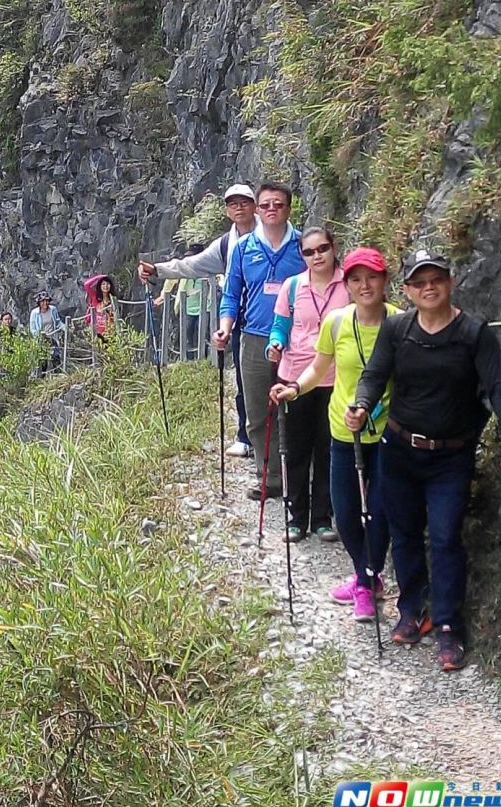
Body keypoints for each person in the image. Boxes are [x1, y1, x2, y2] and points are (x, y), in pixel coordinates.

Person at [348, 248, 501, 671]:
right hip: (399, 450)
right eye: (419, 282)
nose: (429, 287)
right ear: (408, 290)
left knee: (446, 537)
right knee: (405, 532)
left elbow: (499, 389)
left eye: (437, 279)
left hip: (451, 456)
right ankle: (412, 609)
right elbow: (376, 373)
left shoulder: (473, 332)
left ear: (450, 283)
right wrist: (360, 404)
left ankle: (449, 626)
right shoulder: (396, 329)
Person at [271, 247, 398, 624]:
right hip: (343, 431)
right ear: (347, 283)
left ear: (384, 281)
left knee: (379, 512)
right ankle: (367, 575)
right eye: (356, 279)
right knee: (345, 515)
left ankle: (364, 581)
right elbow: (318, 368)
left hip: (388, 432)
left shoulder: (401, 323)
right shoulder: (338, 323)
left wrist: (373, 410)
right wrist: (294, 388)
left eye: (372, 277)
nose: (364, 285)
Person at [138, 183, 258, 457]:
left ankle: (280, 444)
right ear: (227, 211)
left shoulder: (274, 235)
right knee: (244, 379)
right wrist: (157, 270)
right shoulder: (227, 244)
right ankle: (246, 437)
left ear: (254, 205)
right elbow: (191, 265)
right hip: (242, 319)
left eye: (244, 202)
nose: (239, 208)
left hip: (276, 317)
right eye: (233, 204)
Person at [214, 182, 305, 500]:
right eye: (265, 205)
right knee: (257, 412)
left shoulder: (303, 246)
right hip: (253, 337)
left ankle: (297, 477)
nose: (270, 210)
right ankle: (269, 477)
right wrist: (225, 328)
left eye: (277, 204)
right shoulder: (242, 248)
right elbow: (231, 295)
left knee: (296, 410)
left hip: (298, 340)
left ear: (288, 209)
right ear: (257, 208)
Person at [266, 227, 348, 542]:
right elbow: (280, 326)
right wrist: (273, 344)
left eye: (322, 249)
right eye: (309, 252)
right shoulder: (293, 286)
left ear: (333, 247)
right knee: (297, 450)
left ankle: (323, 518)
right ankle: (297, 518)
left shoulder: (349, 284)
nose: (317, 256)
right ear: (302, 255)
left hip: (336, 379)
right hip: (295, 376)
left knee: (328, 450)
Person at [29, 292, 63, 374]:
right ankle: (42, 377)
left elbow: (58, 322)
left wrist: (64, 327)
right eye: (43, 301)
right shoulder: (34, 313)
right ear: (39, 303)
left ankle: (57, 375)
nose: (45, 303)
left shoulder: (53, 309)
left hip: (52, 337)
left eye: (47, 301)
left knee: (55, 357)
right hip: (41, 339)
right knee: (43, 360)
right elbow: (33, 328)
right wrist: (40, 336)